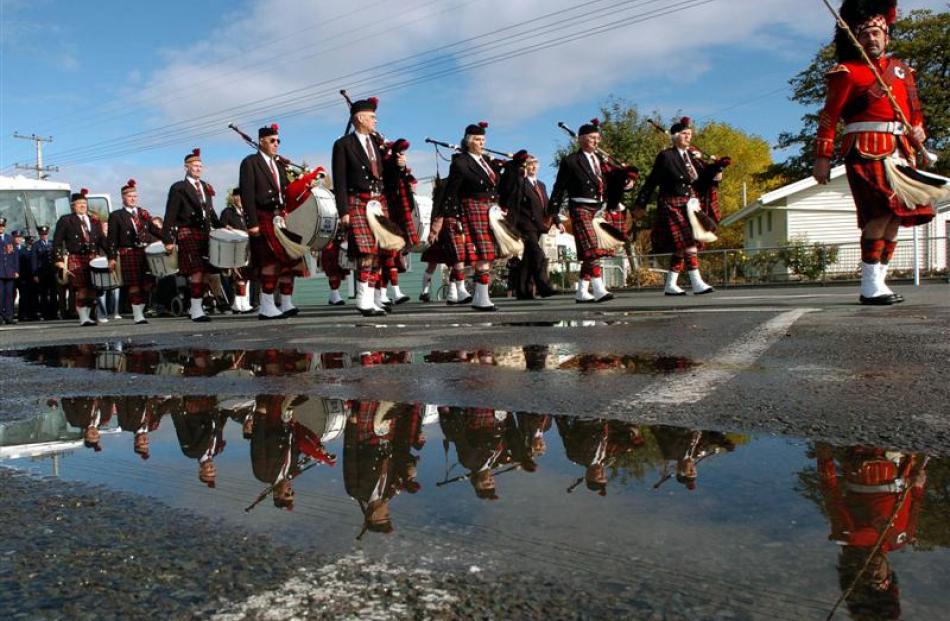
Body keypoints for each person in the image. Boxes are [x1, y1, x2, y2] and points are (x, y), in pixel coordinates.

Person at [813, 0, 941, 305]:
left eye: (877, 33)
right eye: (866, 34)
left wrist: (919, 130)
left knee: (897, 217)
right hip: (865, 150)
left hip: (901, 151)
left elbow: (915, 110)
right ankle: (869, 285)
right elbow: (829, 116)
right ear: (857, 38)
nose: (872, 38)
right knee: (880, 213)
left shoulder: (903, 70)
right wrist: (822, 157)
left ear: (887, 37)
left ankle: (878, 282)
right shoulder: (848, 72)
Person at [816, 443, 926, 619]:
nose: (874, 571)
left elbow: (831, 492)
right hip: (903, 453)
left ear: (854, 571)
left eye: (866, 575)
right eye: (879, 578)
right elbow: (916, 501)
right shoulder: (902, 539)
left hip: (862, 451)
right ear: (889, 574)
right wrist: (919, 483)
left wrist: (824, 459)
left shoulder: (848, 535)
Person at [634, 117, 725, 296]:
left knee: (681, 247)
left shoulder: (692, 156)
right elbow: (651, 181)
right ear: (675, 136)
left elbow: (701, 183)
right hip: (672, 203)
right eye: (685, 134)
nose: (688, 137)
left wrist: (716, 170)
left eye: (690, 134)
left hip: (691, 203)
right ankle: (696, 282)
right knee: (688, 242)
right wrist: (641, 203)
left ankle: (671, 284)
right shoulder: (666, 156)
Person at [332, 97, 400, 317]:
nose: (375, 121)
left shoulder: (377, 143)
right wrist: (343, 211)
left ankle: (371, 299)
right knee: (365, 253)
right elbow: (339, 180)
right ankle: (363, 299)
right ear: (359, 118)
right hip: (357, 201)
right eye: (372, 117)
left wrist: (397, 164)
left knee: (379, 252)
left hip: (378, 201)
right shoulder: (343, 144)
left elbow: (385, 174)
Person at [240, 124, 306, 319]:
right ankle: (266, 306)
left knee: (290, 260)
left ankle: (286, 303)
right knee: (270, 261)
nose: (276, 144)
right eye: (272, 140)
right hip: (263, 216)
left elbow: (286, 191)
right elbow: (247, 194)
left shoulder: (278, 165)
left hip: (280, 217)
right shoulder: (250, 162)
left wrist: (303, 182)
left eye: (278, 141)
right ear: (261, 141)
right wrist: (252, 222)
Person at [435, 122, 503, 311]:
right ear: (469, 141)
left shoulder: (487, 162)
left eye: (483, 140)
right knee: (483, 253)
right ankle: (481, 299)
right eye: (478, 140)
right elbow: (451, 191)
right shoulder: (461, 162)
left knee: (489, 254)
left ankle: (481, 297)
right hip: (472, 207)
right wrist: (448, 215)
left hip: (490, 210)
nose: (482, 143)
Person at [550, 119, 615, 303]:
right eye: (592, 138)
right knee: (591, 249)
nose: (596, 141)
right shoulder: (571, 161)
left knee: (592, 251)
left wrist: (625, 181)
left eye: (597, 138)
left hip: (598, 209)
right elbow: (559, 189)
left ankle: (582, 291)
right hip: (580, 207)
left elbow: (609, 184)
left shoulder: (600, 160)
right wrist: (555, 215)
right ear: (582, 139)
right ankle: (599, 289)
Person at [163, 148, 220, 322]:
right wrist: (168, 239)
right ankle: (196, 310)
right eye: (194, 165)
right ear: (186, 167)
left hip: (205, 232)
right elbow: (170, 214)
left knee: (205, 273)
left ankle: (195, 307)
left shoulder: (205, 187)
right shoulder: (179, 187)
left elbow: (211, 213)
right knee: (197, 271)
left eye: (200, 166)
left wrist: (225, 227)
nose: (198, 168)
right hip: (187, 231)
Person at [107, 179, 163, 324]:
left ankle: (140, 311)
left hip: (145, 252)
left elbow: (154, 230)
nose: (133, 199)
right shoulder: (116, 215)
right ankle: (138, 315)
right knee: (134, 284)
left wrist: (167, 239)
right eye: (129, 196)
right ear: (123, 197)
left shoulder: (143, 213)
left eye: (135, 196)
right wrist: (111, 258)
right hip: (128, 252)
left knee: (148, 283)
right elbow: (111, 239)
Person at [505, 152, 559, 299]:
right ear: (525, 166)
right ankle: (544, 286)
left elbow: (547, 204)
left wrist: (557, 221)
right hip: (525, 224)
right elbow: (512, 199)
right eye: (530, 164)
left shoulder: (541, 185)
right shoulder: (520, 182)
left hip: (539, 225)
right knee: (537, 253)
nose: (533, 166)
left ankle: (523, 291)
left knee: (528, 259)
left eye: (535, 163)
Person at [53, 189, 106, 326]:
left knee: (93, 289)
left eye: (84, 203)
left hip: (93, 258)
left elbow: (102, 240)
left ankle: (92, 315)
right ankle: (83, 317)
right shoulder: (66, 220)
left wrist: (111, 255)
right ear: (73, 206)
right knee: (81, 289)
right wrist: (58, 260)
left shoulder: (94, 221)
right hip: (76, 256)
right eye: (79, 203)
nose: (82, 206)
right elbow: (57, 242)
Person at [219, 188, 255, 313]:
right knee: (238, 277)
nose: (239, 198)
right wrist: (228, 228)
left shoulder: (249, 212)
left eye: (241, 196)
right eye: (236, 196)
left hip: (249, 247)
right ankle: (238, 304)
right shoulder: (227, 212)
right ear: (233, 198)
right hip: (234, 248)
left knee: (247, 276)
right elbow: (222, 227)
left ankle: (244, 303)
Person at [31, 225, 58, 320]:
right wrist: (35, 274)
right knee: (44, 294)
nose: (44, 236)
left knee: (54, 294)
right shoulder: (36, 245)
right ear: (39, 235)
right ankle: (45, 313)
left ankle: (54, 313)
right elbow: (34, 260)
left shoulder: (52, 243)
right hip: (42, 273)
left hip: (52, 272)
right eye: (42, 234)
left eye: (45, 234)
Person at [14, 230, 36, 321]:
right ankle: (22, 314)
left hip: (30, 276)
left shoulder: (28, 250)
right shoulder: (20, 250)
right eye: (28, 242)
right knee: (23, 297)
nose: (30, 244)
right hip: (21, 276)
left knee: (31, 296)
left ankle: (31, 314)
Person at [0, 218, 17, 324]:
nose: (1, 228)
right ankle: (1, 316)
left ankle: (9, 316)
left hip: (9, 272)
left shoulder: (9, 238)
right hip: (0, 272)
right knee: (0, 295)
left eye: (2, 226)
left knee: (9, 295)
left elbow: (14, 256)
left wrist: (16, 270)